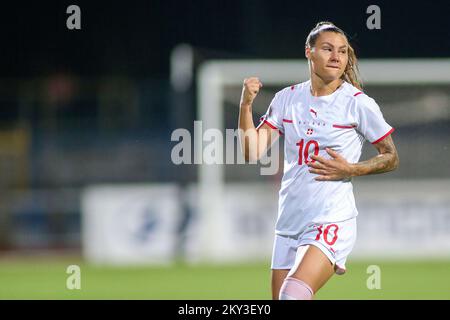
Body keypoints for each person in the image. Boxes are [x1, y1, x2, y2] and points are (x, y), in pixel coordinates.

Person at [238, 21, 399, 300]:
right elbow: (252, 152)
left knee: (293, 295)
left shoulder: (357, 103)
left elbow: (391, 156)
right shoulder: (286, 99)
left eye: (342, 51)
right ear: (308, 52)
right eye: (327, 49)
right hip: (289, 221)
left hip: (331, 218)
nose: (337, 56)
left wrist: (351, 169)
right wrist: (245, 106)